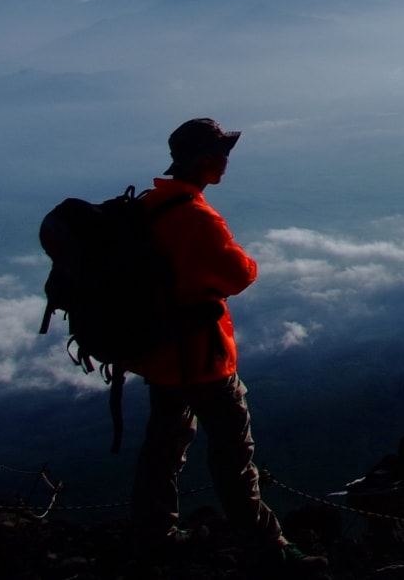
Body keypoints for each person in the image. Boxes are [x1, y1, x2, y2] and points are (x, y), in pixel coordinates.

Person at [129, 118, 317, 571]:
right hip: (205, 359)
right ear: (206, 161)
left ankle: (153, 535)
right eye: (222, 155)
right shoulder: (195, 217)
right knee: (234, 457)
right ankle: (268, 549)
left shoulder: (149, 205)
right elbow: (239, 274)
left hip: (159, 357)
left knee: (162, 451)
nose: (227, 163)